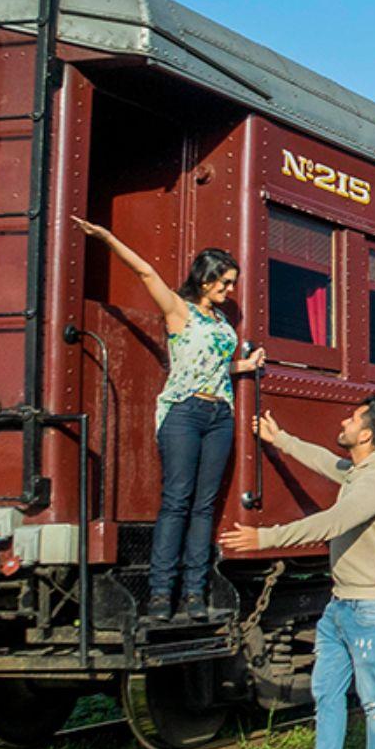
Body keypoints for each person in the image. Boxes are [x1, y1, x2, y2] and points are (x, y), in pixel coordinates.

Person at [71, 217, 264, 621]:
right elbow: (145, 272)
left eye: (232, 283)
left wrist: (243, 366)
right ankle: (161, 593)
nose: (230, 291)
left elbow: (213, 366)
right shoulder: (179, 310)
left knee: (204, 505)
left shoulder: (221, 322)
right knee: (177, 501)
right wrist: (106, 237)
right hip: (184, 412)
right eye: (224, 283)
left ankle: (194, 592)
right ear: (206, 279)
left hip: (219, 414)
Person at [221, 397, 375, 749]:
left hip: (374, 605)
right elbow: (325, 461)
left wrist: (263, 539)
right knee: (327, 694)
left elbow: (331, 523)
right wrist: (280, 439)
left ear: (365, 435)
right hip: (341, 605)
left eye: (353, 418)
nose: (343, 421)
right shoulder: (358, 471)